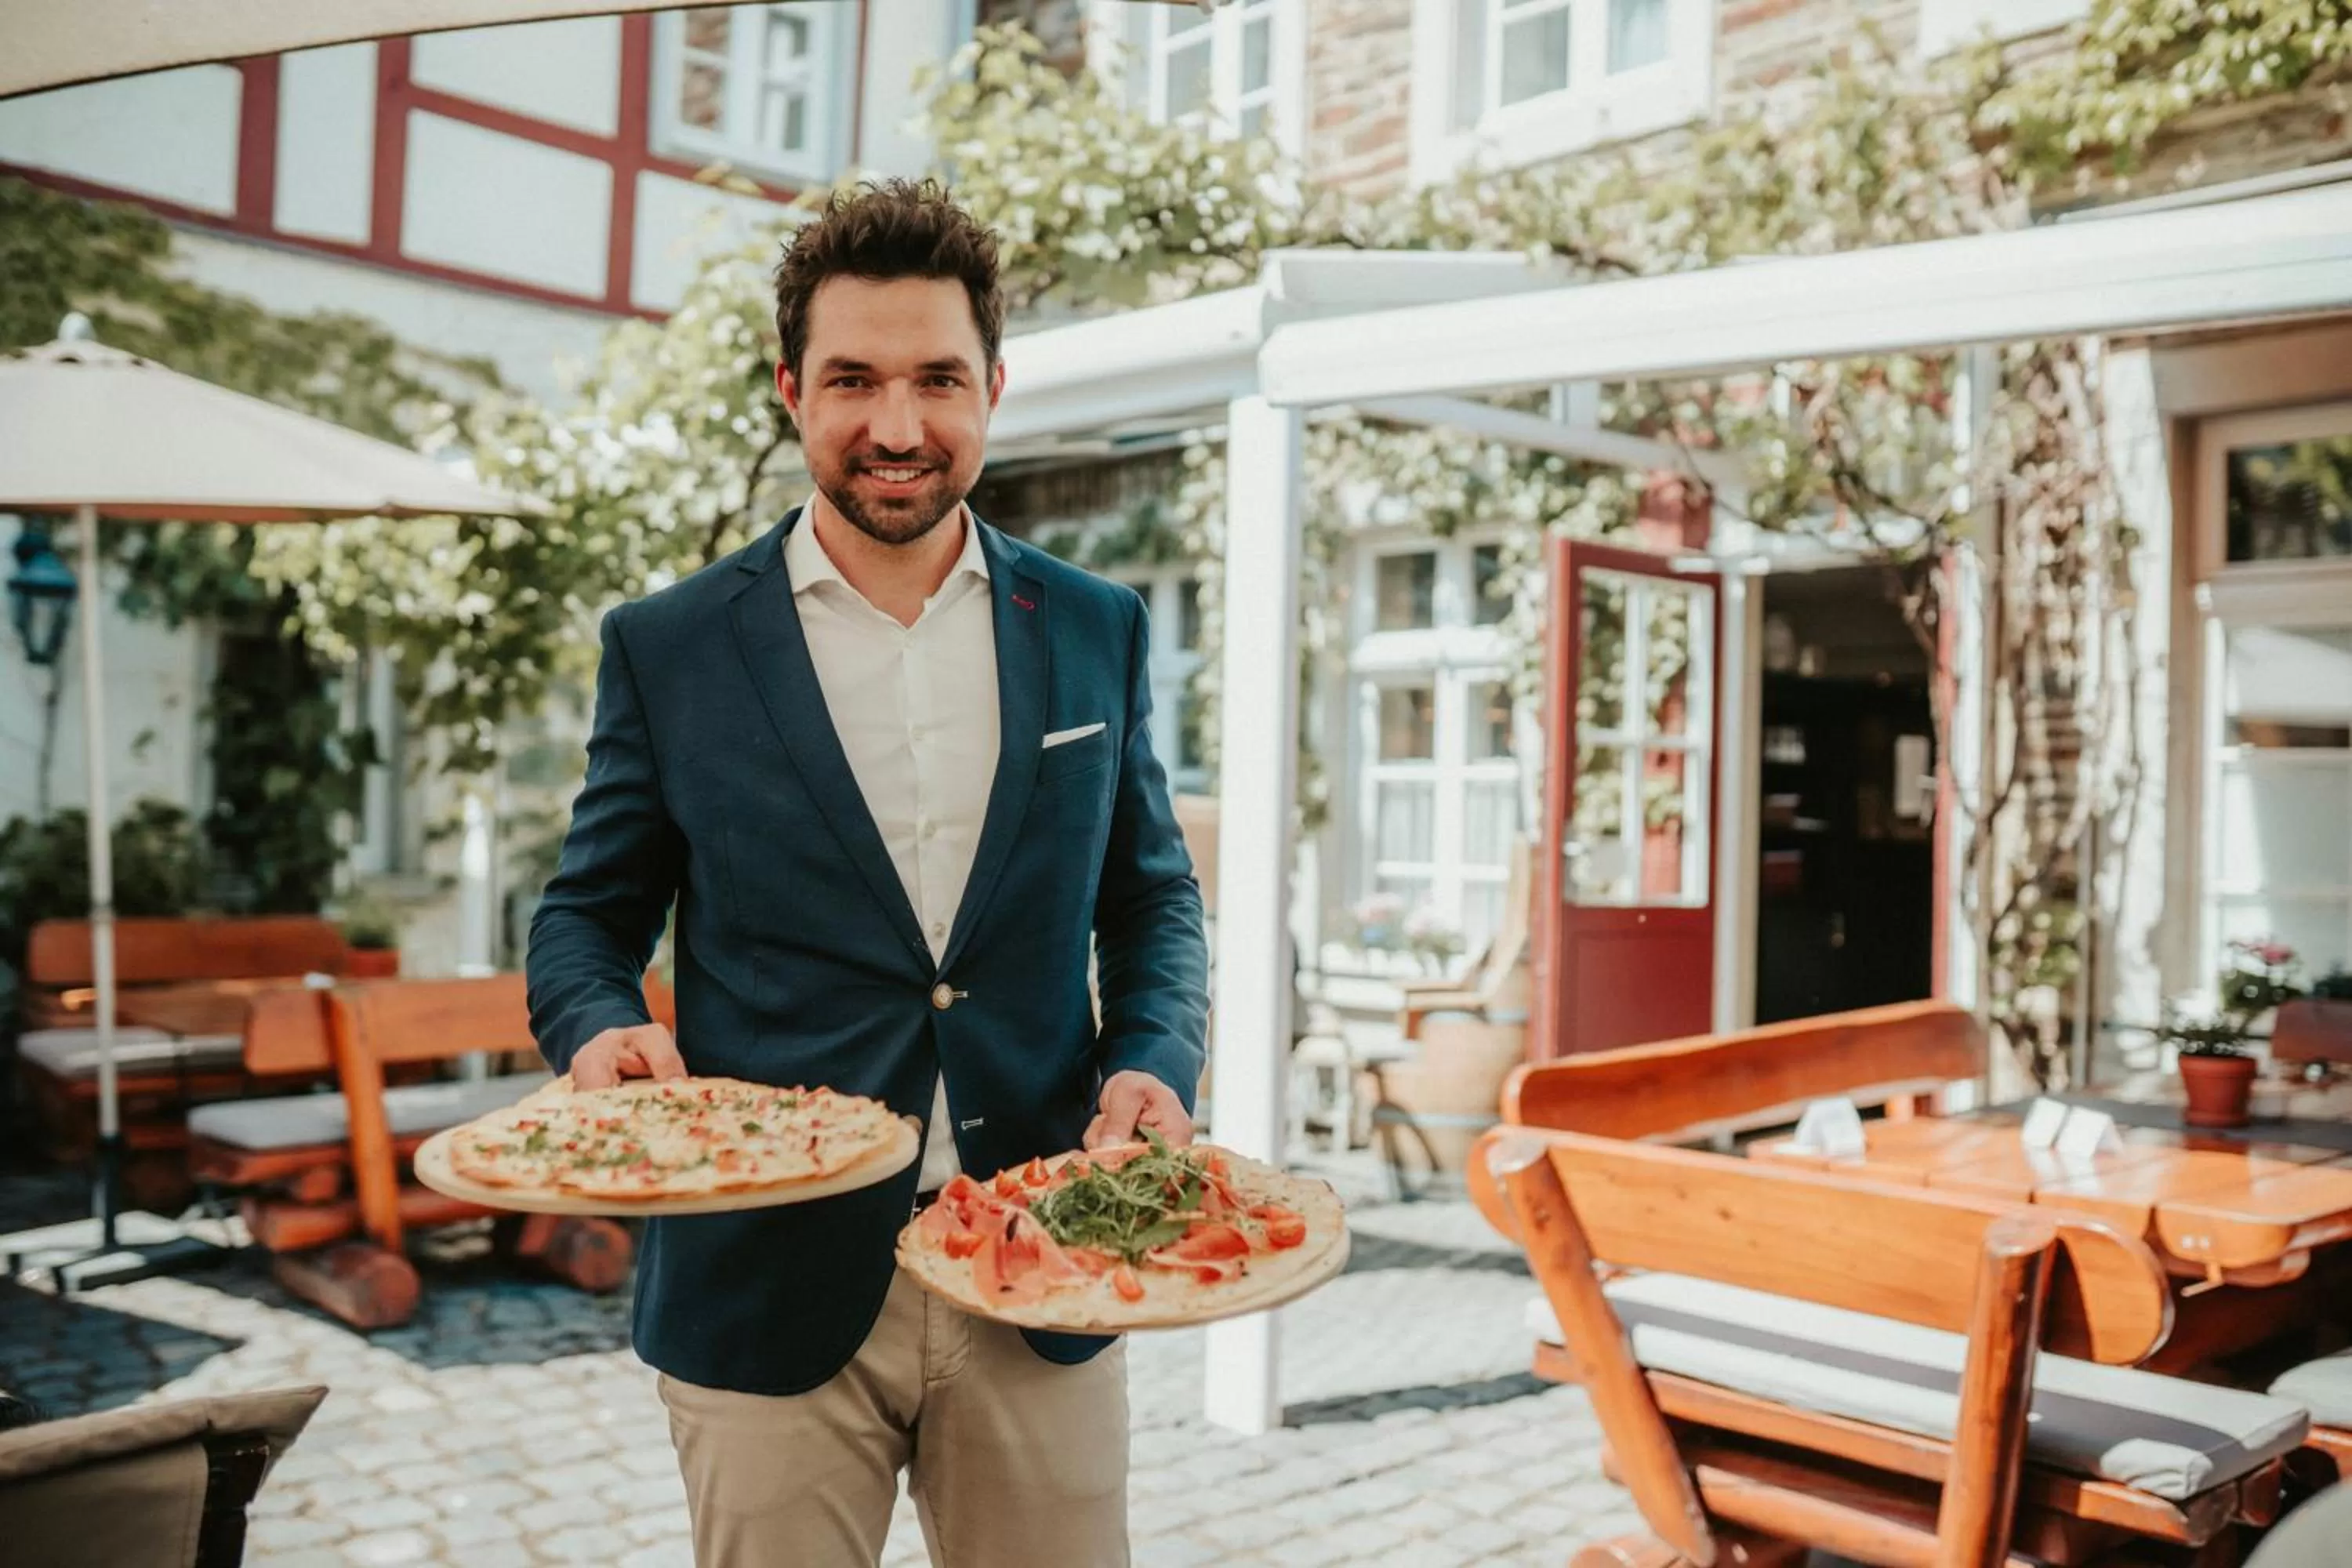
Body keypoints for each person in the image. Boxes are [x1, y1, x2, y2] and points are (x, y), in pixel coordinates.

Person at [524, 178, 1210, 1568]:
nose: (897, 428)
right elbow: (584, 919)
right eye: (852, 379)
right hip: (763, 1288)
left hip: (1048, 1260)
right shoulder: (669, 647)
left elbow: (1150, 899)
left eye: (938, 380)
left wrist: (1156, 1057)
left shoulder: (1097, 628)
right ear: (791, 389)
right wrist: (600, 1031)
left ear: (995, 388)